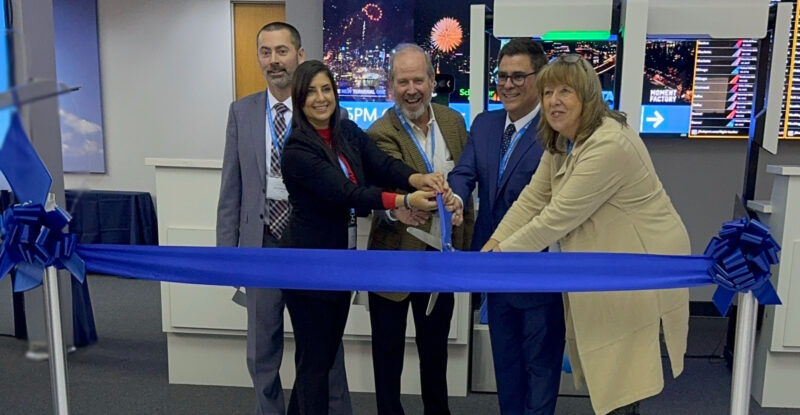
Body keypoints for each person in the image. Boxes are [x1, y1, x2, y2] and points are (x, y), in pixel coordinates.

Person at [482, 54, 690, 415]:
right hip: (600, 265)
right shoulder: (563, 139)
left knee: (622, 371)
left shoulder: (609, 144)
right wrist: (492, 245)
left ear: (588, 97)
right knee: (604, 365)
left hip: (635, 265)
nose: (553, 101)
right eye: (548, 92)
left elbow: (555, 218)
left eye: (566, 91)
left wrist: (497, 260)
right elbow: (533, 198)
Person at [279, 60, 453, 415]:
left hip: (341, 264)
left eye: (326, 89)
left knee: (321, 358)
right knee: (314, 361)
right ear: (298, 98)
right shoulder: (298, 148)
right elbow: (345, 192)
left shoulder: (345, 131)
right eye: (311, 91)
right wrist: (403, 200)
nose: (320, 98)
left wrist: (416, 179)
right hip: (308, 266)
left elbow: (381, 165)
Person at [215, 22, 351, 415]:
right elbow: (231, 188)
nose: (274, 60)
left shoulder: (320, 109)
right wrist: (228, 256)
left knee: (324, 349)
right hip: (261, 247)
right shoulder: (241, 111)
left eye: (282, 51)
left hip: (313, 247)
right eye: (266, 52)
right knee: (261, 349)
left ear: (299, 53)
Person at [448, 38, 565, 415]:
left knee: (540, 368)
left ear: (540, 78)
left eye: (519, 76)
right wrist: (455, 198)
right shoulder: (484, 124)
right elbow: (464, 173)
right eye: (502, 75)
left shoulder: (556, 130)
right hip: (491, 267)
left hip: (538, 269)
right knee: (507, 367)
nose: (508, 84)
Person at [364, 43, 473, 415]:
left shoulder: (454, 123)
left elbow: (464, 176)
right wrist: (401, 209)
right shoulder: (380, 132)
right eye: (403, 81)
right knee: (388, 355)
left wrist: (457, 200)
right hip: (394, 257)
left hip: (439, 259)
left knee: (435, 352)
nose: (412, 89)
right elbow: (387, 189)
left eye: (419, 80)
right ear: (391, 85)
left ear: (432, 80)